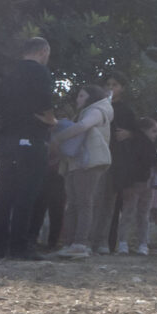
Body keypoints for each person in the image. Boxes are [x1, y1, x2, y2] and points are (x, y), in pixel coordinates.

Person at [0, 37, 58, 260]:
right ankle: (19, 246)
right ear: (43, 51)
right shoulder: (39, 72)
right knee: (27, 193)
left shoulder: (9, 73)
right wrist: (51, 120)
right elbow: (45, 101)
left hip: (8, 139)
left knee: (5, 193)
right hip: (31, 138)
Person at [54, 80, 115, 260]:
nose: (78, 99)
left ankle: (80, 244)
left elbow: (83, 126)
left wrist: (58, 138)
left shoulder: (98, 110)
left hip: (89, 163)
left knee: (83, 203)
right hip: (77, 163)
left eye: (82, 95)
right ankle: (70, 243)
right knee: (73, 203)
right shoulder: (87, 111)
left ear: (91, 97)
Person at [108, 100, 155, 254]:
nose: (156, 135)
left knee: (141, 214)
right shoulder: (135, 145)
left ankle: (140, 243)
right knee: (131, 213)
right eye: (154, 131)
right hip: (134, 183)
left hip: (145, 184)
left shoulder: (148, 146)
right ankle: (125, 242)